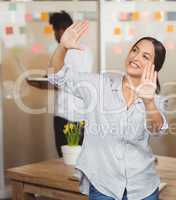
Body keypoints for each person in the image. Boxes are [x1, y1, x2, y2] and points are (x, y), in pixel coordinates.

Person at [48, 21, 168, 200]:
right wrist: (62, 48)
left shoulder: (156, 100)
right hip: (103, 185)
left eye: (145, 56)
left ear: (155, 68)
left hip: (143, 188)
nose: (135, 57)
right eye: (134, 50)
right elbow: (58, 76)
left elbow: (158, 130)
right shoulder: (100, 85)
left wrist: (149, 102)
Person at [49, 11, 93, 157]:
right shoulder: (86, 50)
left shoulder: (62, 53)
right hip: (83, 113)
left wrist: (44, 80)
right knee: (80, 158)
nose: (55, 34)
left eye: (55, 30)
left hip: (64, 113)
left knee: (65, 159)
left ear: (61, 30)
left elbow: (56, 79)